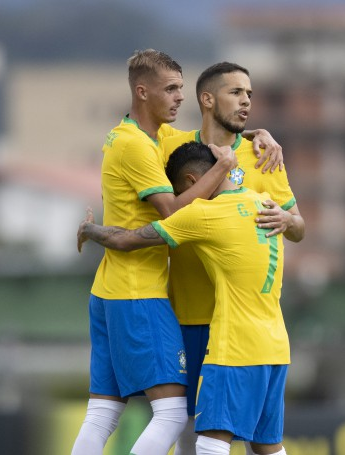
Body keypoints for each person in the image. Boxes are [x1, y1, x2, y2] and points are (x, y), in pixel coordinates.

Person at [70, 49, 283, 455]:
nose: (179, 97)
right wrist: (222, 170)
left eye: (182, 88)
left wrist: (258, 134)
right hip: (139, 292)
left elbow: (210, 137)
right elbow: (169, 211)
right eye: (170, 89)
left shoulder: (148, 137)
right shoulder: (137, 146)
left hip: (110, 289)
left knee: (102, 414)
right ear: (142, 91)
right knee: (171, 413)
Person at [160, 62, 304, 455]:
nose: (246, 101)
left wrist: (288, 219)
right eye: (236, 93)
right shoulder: (173, 145)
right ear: (207, 99)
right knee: (187, 426)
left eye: (250, 95)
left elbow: (300, 227)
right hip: (188, 316)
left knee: (230, 436)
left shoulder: (263, 157)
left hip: (240, 326)